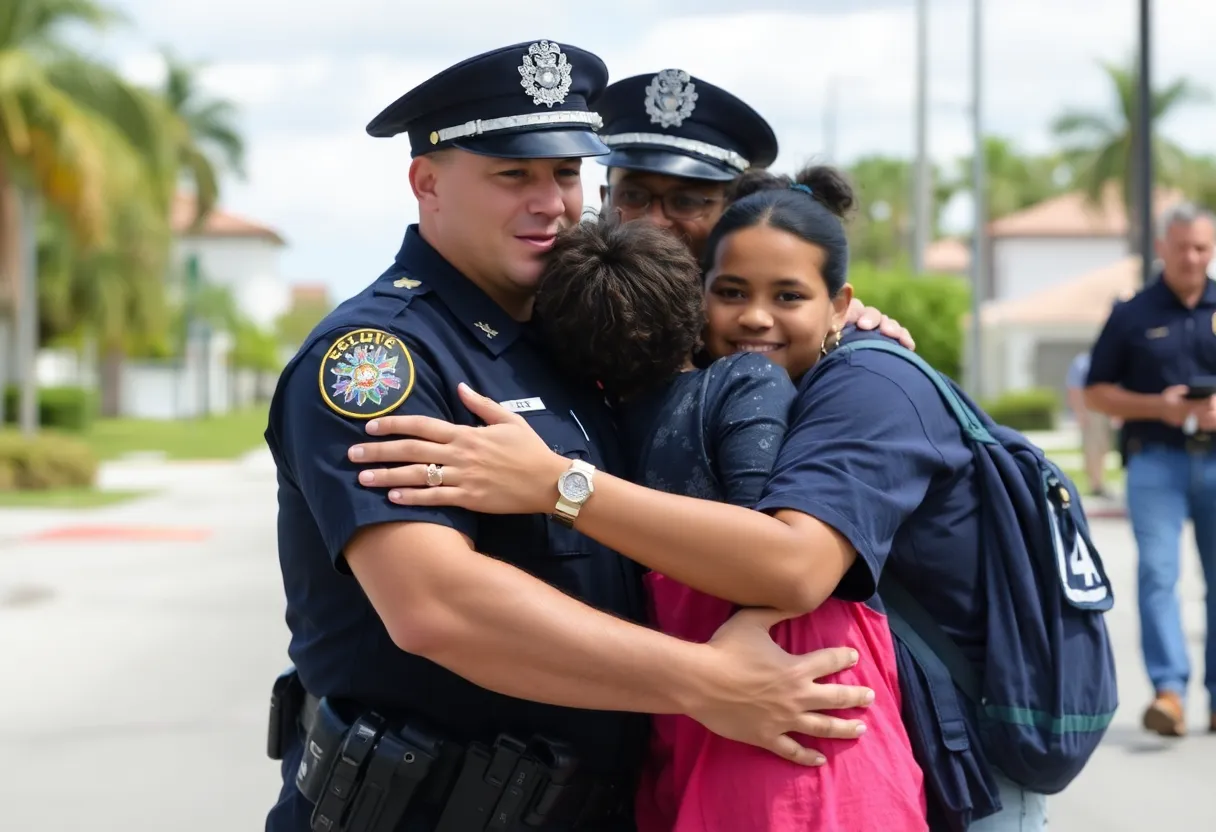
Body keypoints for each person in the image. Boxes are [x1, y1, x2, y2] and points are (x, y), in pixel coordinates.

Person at [263, 40, 880, 832]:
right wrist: (706, 680)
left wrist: (842, 328)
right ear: (427, 182)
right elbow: (436, 605)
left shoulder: (566, 344)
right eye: (512, 174)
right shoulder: (380, 359)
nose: (549, 202)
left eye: (566, 174)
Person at [350, 164, 1053, 831]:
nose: (755, 317)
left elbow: (789, 566)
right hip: (708, 732)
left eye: (687, 203)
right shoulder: (624, 383)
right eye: (732, 292)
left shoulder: (849, 383)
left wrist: (555, 485)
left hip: (810, 719)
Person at [529, 212, 928, 831]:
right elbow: (765, 546)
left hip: (688, 711)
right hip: (794, 692)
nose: (754, 318)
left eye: (787, 295)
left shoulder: (583, 423)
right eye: (732, 292)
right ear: (694, 302)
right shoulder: (746, 379)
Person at [1085, 201, 1216, 738]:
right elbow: (1096, 392)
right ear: (1162, 247)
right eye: (1182, 246)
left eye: (1202, 247)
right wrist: (1161, 406)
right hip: (1154, 460)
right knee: (1159, 575)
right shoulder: (1132, 313)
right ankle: (1170, 694)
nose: (1192, 257)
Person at [1065, 351, 1113, 497]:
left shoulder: (1107, 360)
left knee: (1103, 448)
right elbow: (1074, 389)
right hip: (1090, 410)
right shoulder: (1082, 362)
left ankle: (1100, 482)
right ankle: (1095, 485)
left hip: (1105, 410)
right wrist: (1080, 412)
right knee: (1092, 449)